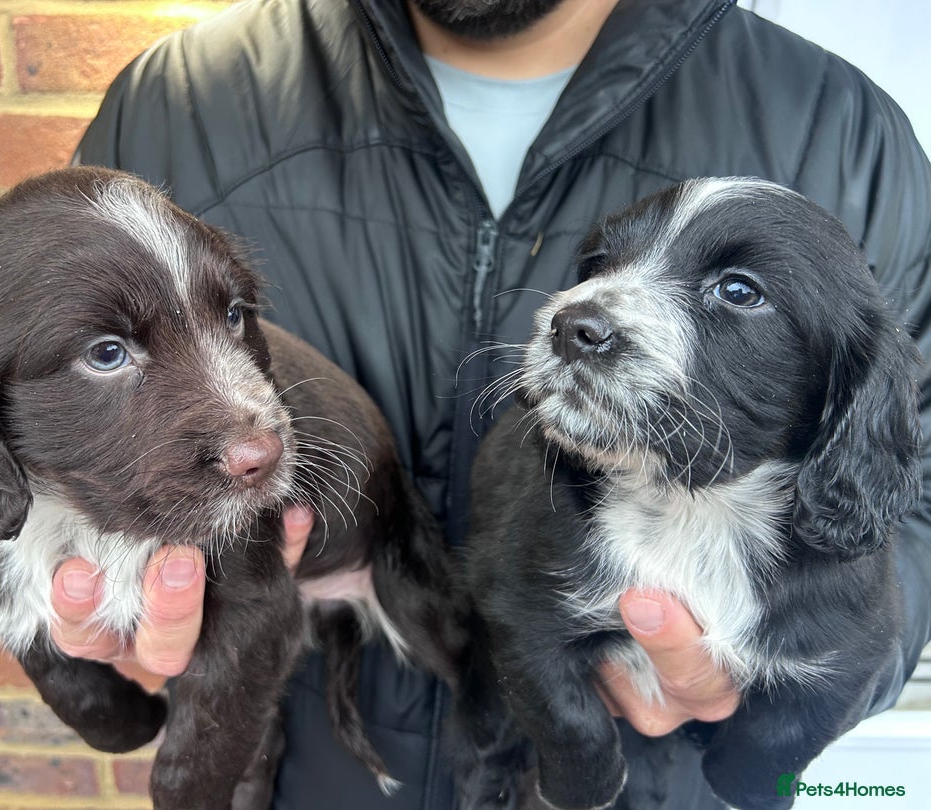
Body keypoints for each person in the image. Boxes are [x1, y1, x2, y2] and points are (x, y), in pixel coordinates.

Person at [50, 1, 931, 807]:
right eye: (603, 271)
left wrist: (773, 746)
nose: (587, 316)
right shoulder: (170, 107)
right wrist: (88, 593)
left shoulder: (851, 135)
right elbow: (39, 409)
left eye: (737, 291)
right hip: (314, 767)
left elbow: (910, 493)